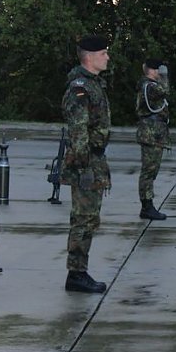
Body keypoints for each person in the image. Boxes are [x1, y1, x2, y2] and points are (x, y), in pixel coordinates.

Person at [60, 35, 112, 294]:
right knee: (83, 219)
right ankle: (76, 274)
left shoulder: (93, 84)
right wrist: (84, 168)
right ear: (90, 57)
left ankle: (79, 272)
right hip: (86, 162)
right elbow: (78, 131)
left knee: (90, 219)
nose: (107, 57)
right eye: (103, 53)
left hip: (94, 159)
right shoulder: (80, 87)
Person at [136, 58, 170, 220]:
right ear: (150, 70)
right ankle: (147, 206)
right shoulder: (149, 86)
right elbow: (165, 91)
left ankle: (147, 205)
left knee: (152, 171)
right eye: (156, 70)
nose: (158, 72)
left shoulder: (149, 86)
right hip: (151, 134)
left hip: (155, 134)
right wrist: (164, 76)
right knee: (148, 172)